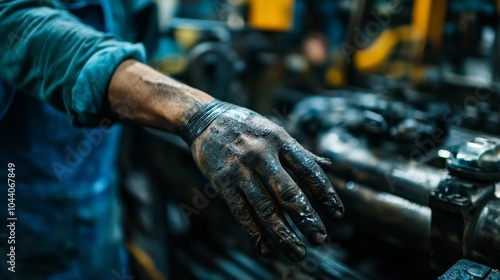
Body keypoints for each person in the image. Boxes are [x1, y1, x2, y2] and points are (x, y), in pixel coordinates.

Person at [0, 0, 344, 279]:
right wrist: (198, 113)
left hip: (98, 197)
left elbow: (135, 40)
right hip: (22, 206)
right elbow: (27, 30)